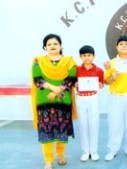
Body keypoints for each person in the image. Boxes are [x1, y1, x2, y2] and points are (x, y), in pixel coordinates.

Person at [31, 34, 77, 169]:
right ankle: (48, 160)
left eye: (55, 43)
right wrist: (53, 89)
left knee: (61, 129)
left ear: (61, 46)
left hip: (63, 100)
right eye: (49, 44)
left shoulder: (69, 61)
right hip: (44, 100)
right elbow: (37, 79)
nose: (52, 46)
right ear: (45, 47)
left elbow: (71, 78)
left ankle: (61, 155)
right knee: (46, 130)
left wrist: (58, 90)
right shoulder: (38, 61)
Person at [75, 45, 104, 162]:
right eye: (84, 56)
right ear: (80, 57)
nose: (87, 58)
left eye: (89, 55)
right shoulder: (76, 69)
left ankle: (94, 151)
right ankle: (85, 151)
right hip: (81, 98)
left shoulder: (99, 70)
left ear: (94, 56)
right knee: (83, 124)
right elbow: (72, 83)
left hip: (93, 97)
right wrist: (76, 85)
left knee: (94, 123)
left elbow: (102, 85)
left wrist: (99, 85)